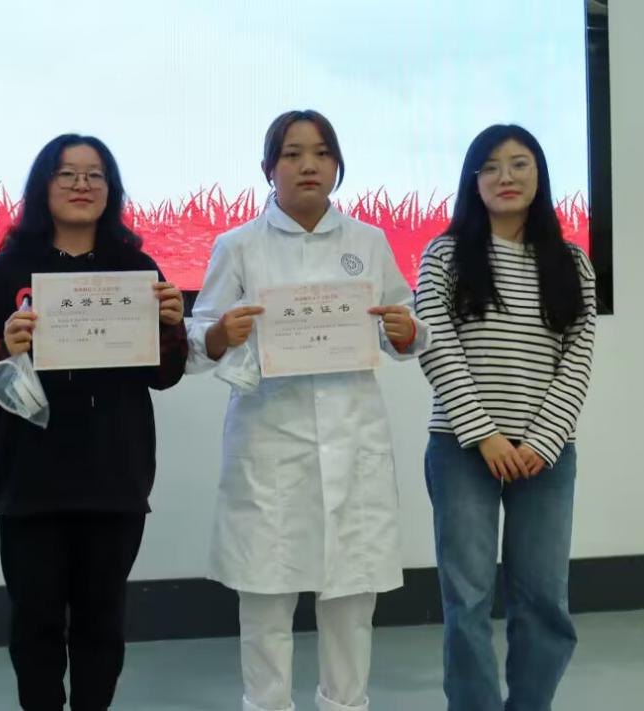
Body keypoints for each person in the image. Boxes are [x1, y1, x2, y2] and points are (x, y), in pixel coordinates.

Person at [187, 109, 429, 711]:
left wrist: (405, 331)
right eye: (292, 154)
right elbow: (196, 340)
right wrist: (220, 333)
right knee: (265, 601)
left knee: (351, 601)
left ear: (337, 164)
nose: (308, 165)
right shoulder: (238, 246)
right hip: (270, 442)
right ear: (268, 168)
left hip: (353, 440)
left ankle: (345, 704)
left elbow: (404, 325)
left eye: (321, 153)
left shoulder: (368, 242)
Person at [0, 133, 187, 710]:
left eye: (95, 175)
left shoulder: (136, 269)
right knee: (36, 622)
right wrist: (5, 346)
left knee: (102, 621)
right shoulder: (6, 270)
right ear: (43, 187)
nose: (82, 185)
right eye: (67, 174)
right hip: (29, 474)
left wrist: (171, 324)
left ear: (111, 189)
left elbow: (166, 373)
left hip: (115, 472)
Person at [415, 124, 597, 711]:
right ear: (474, 181)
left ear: (539, 175)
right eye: (490, 167)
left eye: (520, 164)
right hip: (462, 449)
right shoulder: (444, 255)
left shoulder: (572, 262)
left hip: (547, 455)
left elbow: (577, 359)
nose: (506, 177)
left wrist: (542, 440)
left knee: (543, 598)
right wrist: (485, 435)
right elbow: (436, 348)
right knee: (467, 599)